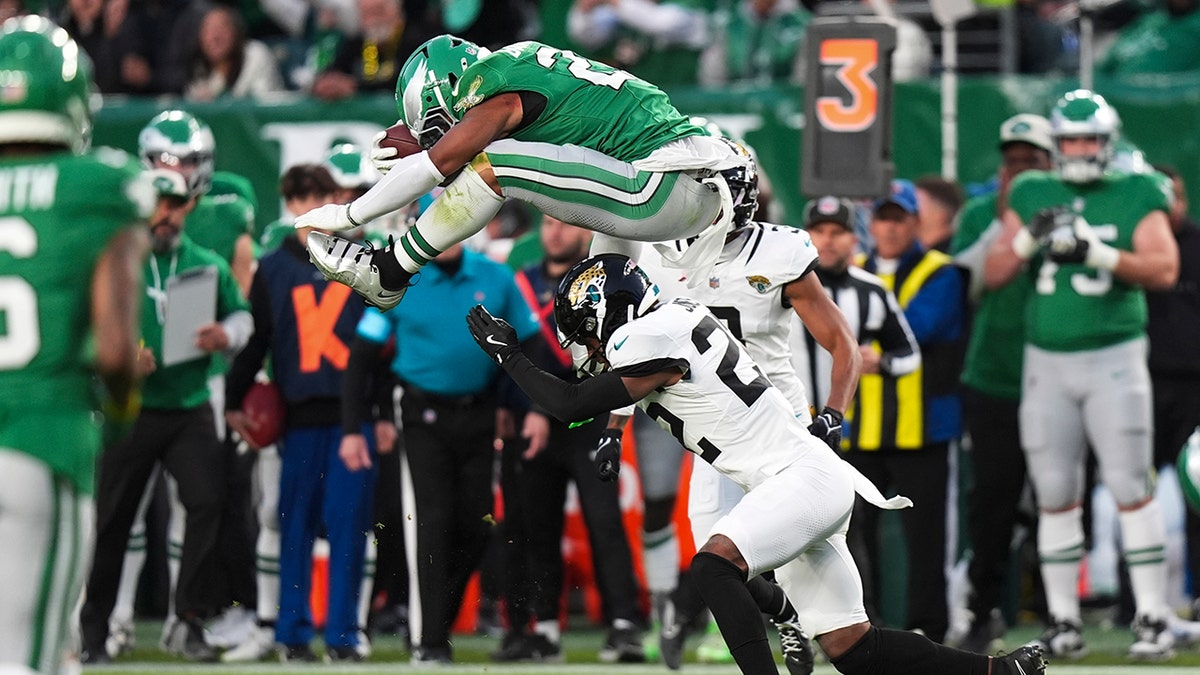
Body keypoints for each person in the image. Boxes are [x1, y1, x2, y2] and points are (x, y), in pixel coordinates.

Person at [463, 253, 1048, 675]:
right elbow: (605, 396)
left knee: (714, 569)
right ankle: (1000, 674)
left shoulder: (642, 337)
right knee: (855, 650)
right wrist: (612, 430)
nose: (588, 350)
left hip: (797, 480)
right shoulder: (672, 319)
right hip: (808, 478)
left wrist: (507, 355)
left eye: (585, 336)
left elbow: (568, 404)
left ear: (604, 313)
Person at [298, 33, 754, 313]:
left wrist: (351, 213)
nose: (440, 135)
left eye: (435, 124)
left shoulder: (493, 84)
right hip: (674, 182)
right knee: (600, 281)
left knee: (493, 167)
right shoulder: (526, 71)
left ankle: (389, 271)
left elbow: (444, 162)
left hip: (660, 184)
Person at [625, 153, 862, 674]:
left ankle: (831, 631)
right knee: (713, 553)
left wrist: (833, 414)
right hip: (716, 428)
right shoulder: (657, 255)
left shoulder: (777, 250)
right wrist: (614, 420)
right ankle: (786, 614)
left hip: (777, 424)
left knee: (799, 555)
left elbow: (845, 343)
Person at [983, 89, 1180, 660]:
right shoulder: (1032, 190)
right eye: (1069, 139)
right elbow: (994, 272)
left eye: (1088, 139)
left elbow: (1164, 267)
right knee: (1053, 492)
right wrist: (1026, 238)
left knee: (1128, 485)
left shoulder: (1137, 188)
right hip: (1046, 362)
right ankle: (1064, 620)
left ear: (1108, 141)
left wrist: (1097, 253)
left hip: (1113, 357)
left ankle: (1152, 617)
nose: (1078, 149)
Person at [0, 16, 151, 674]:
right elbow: (116, 349)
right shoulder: (100, 185)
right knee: (29, 656)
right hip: (42, 435)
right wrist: (118, 409)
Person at [79, 163, 253, 663]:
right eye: (158, 203)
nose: (165, 214)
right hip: (130, 407)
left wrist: (227, 336)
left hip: (189, 403)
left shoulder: (206, 262)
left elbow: (241, 313)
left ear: (189, 206)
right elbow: (84, 327)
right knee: (113, 521)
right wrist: (116, 359)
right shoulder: (117, 259)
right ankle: (95, 632)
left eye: (175, 204)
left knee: (207, 504)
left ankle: (189, 620)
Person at [347, 238, 539, 664]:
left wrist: (531, 407)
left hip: (479, 411)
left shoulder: (495, 276)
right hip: (420, 413)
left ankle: (436, 619)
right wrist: (353, 426)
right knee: (430, 523)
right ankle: (427, 641)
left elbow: (528, 344)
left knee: (477, 524)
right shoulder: (397, 278)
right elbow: (361, 355)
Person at [223, 179, 382, 662]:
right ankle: (291, 634)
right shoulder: (272, 270)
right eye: (302, 198)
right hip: (298, 421)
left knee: (348, 528)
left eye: (321, 197)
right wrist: (234, 398)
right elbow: (258, 342)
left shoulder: (365, 260)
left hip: (353, 421)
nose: (312, 208)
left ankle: (343, 635)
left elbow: (380, 341)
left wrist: (382, 410)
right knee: (294, 528)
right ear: (290, 205)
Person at [490, 215, 646, 663]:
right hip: (534, 421)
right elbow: (505, 352)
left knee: (605, 522)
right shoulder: (517, 284)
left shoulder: (604, 282)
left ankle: (624, 623)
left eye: (565, 223)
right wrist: (510, 405)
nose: (555, 232)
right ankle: (540, 627)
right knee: (532, 524)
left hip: (589, 414)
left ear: (585, 230)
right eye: (548, 223)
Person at [948, 113, 1053, 653]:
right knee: (991, 499)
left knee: (1061, 498)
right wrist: (1008, 222)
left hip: (1058, 373)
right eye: (1012, 161)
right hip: (993, 376)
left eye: (1031, 161)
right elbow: (965, 280)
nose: (1019, 171)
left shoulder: (1069, 212)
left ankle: (1062, 614)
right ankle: (982, 609)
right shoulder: (980, 214)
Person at [850, 179, 967, 643]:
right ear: (872, 223)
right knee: (852, 536)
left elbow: (920, 326)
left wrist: (866, 347)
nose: (891, 228)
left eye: (900, 219)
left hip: (924, 427)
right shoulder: (852, 268)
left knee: (927, 539)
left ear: (916, 223)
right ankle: (860, 627)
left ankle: (929, 629)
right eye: (883, 218)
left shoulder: (942, 272)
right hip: (858, 429)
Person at [791, 196, 921, 430]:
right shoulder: (780, 286)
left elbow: (909, 355)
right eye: (819, 230)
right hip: (788, 422)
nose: (828, 240)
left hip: (854, 430)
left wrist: (883, 362)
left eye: (837, 232)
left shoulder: (872, 291)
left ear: (854, 238)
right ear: (804, 235)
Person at [1145, 164, 1200, 621]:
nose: (1170, 206)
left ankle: (1198, 595)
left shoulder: (1198, 245)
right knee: (1129, 496)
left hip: (1193, 386)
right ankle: (1135, 603)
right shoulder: (1127, 246)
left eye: (1176, 195)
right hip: (1136, 384)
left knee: (1198, 491)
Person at [184, 4, 285, 101]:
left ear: (236, 31)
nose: (215, 37)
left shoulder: (256, 54)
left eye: (222, 28)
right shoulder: (198, 67)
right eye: (208, 30)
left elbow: (264, 105)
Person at [1097, 0, 1200, 77]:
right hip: (1115, 95)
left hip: (1167, 101)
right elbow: (1108, 62)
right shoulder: (1149, 21)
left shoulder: (1195, 29)